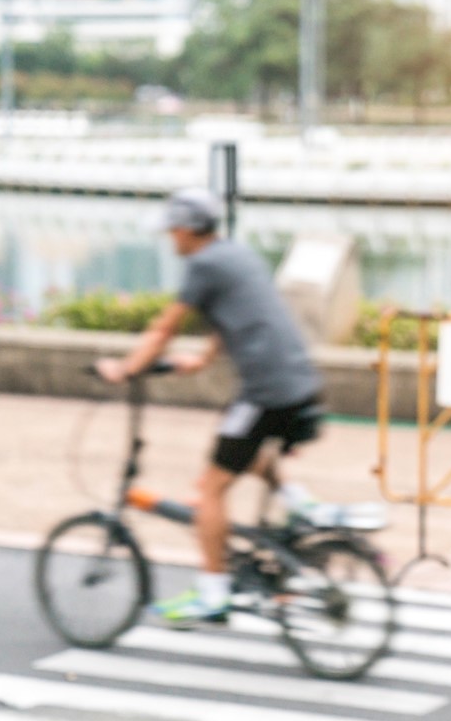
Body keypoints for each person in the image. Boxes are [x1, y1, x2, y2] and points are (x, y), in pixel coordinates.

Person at [95, 187, 323, 625]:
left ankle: (213, 592)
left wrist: (124, 369)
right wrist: (202, 359)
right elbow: (238, 314)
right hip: (297, 383)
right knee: (242, 448)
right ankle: (295, 500)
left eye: (173, 231)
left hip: (267, 391)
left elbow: (165, 328)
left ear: (188, 230)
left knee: (211, 488)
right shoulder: (236, 256)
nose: (170, 240)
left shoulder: (203, 264)